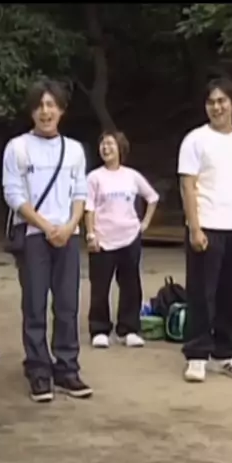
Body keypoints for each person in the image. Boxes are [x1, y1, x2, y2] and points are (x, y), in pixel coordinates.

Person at [2, 78, 92, 403]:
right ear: (31, 111)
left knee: (67, 305)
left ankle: (67, 367)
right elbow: (13, 194)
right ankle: (38, 369)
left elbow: (80, 192)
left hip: (68, 236)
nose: (45, 111)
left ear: (62, 110)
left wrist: (69, 226)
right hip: (33, 236)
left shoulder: (74, 150)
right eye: (39, 105)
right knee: (35, 305)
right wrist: (45, 226)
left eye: (51, 105)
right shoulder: (17, 147)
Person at [178, 74, 232, 383]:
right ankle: (197, 355)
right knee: (201, 293)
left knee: (230, 294)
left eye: (222, 101)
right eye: (211, 102)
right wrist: (194, 227)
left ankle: (227, 354)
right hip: (207, 226)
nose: (217, 107)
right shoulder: (195, 140)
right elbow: (188, 185)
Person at [85, 130, 159, 348]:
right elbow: (88, 207)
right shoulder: (94, 177)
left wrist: (144, 224)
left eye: (110, 144)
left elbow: (152, 197)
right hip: (102, 239)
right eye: (103, 144)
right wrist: (91, 234)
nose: (106, 148)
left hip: (129, 237)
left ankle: (129, 329)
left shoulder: (132, 176)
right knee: (100, 286)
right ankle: (99, 329)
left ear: (120, 149)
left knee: (130, 285)